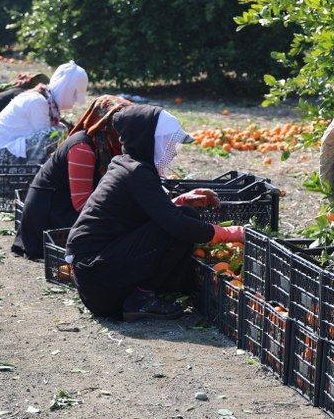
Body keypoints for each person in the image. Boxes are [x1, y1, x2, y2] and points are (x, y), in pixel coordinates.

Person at [65, 104, 243, 320]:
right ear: (147, 140)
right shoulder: (136, 172)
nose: (172, 150)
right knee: (180, 225)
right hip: (99, 279)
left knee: (185, 215)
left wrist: (182, 200)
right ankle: (139, 299)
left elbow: (141, 211)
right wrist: (230, 233)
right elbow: (175, 224)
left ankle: (147, 293)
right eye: (167, 142)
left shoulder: (127, 165)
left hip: (96, 275)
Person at [12, 95, 132, 260]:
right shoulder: (83, 147)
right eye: (120, 123)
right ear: (105, 122)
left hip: (66, 210)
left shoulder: (107, 145)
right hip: (50, 218)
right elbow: (82, 205)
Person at [0, 62, 89, 193]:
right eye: (74, 95)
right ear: (66, 89)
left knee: (59, 131)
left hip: (1, 160)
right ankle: (40, 184)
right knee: (55, 134)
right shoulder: (38, 102)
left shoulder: (46, 102)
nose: (74, 101)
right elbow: (47, 145)